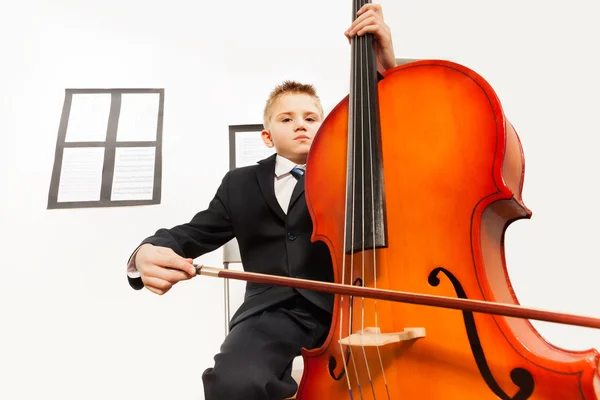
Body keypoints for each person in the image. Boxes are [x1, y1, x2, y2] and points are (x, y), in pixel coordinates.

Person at [126, 3, 398, 399]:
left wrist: (385, 73)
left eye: (311, 117)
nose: (300, 124)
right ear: (267, 135)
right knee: (233, 383)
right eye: (286, 118)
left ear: (329, 125)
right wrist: (146, 252)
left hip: (359, 301)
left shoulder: (356, 170)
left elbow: (404, 129)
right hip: (273, 312)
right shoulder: (240, 184)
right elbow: (193, 233)